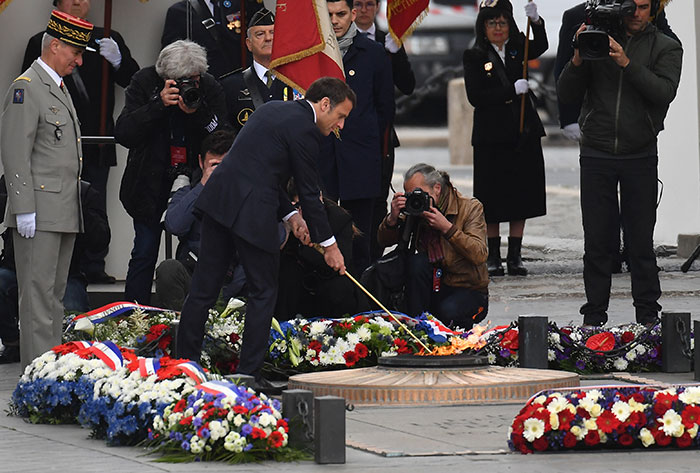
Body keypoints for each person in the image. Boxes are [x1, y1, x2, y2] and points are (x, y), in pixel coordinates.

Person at [176, 77, 354, 389]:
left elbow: (261, 169)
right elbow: (310, 193)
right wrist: (329, 245)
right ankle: (249, 375)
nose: (340, 124)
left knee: (203, 290)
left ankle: (183, 367)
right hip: (251, 212)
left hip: (221, 202)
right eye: (340, 115)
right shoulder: (306, 130)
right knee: (263, 291)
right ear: (324, 104)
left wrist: (290, 215)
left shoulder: (272, 109)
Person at [558, 0, 682, 327]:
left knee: (640, 241)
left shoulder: (666, 46)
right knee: (597, 240)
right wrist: (578, 59)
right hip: (597, 151)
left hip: (639, 152)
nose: (637, 14)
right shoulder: (595, 41)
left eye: (643, 7)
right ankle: (594, 316)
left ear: (653, 9)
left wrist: (627, 63)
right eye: (632, 7)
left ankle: (648, 316)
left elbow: (663, 92)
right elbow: (566, 93)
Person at [22, 0, 139, 285]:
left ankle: (93, 263)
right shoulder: (42, 41)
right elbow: (28, 88)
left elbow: (135, 82)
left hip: (97, 138)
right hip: (54, 141)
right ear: (56, 3)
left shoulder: (107, 37)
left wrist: (119, 60)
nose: (78, 2)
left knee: (94, 205)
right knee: (57, 205)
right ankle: (65, 265)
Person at [0, 10, 93, 369]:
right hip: (38, 209)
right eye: (75, 52)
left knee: (54, 297)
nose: (79, 60)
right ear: (55, 46)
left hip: (63, 209)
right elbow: (14, 152)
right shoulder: (26, 87)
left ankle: (50, 368)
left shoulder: (56, 86)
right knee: (37, 297)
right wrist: (23, 207)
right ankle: (37, 374)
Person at [115, 39, 228, 305]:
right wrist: (158, 105)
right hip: (148, 184)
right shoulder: (144, 82)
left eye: (194, 79)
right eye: (181, 81)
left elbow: (224, 135)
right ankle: (135, 318)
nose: (189, 85)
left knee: (195, 251)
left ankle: (191, 316)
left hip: (197, 182)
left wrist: (199, 112)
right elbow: (124, 133)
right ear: (165, 77)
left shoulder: (209, 86)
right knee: (144, 252)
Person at [462, 0, 547, 277]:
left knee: (521, 194)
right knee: (492, 196)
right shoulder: (474, 55)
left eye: (503, 22)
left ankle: (515, 255)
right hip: (491, 135)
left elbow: (541, 46)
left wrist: (536, 22)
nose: (498, 28)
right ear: (483, 27)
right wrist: (511, 90)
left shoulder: (516, 47)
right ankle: (493, 256)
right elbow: (476, 97)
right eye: (492, 23)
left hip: (522, 132)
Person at [319, 0, 394, 274]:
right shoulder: (315, 54)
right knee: (322, 229)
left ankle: (361, 297)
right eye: (329, 15)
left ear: (353, 14)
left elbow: (385, 107)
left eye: (341, 14)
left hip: (360, 156)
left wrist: (364, 135)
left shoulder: (373, 53)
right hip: (323, 154)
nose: (335, 21)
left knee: (361, 236)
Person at [0, 180, 110, 364]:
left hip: (66, 272)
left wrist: (78, 207)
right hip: (18, 269)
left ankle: (69, 358)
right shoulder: (15, 183)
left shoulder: (83, 191)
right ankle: (13, 342)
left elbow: (101, 240)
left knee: (75, 321)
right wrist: (19, 197)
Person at [377, 163, 489, 330]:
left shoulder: (470, 207)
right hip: (433, 285)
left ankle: (456, 333)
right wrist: (392, 219)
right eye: (409, 195)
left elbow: (479, 254)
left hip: (467, 288)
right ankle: (418, 328)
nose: (415, 199)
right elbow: (383, 241)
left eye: (419, 194)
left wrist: (447, 229)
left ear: (437, 188)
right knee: (416, 263)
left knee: (447, 312)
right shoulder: (414, 209)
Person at [352, 0, 417, 261]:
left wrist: (396, 52)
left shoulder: (386, 38)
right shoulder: (340, 41)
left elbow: (408, 85)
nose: (365, 9)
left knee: (378, 197)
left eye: (370, 4)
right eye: (359, 4)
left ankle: (374, 256)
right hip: (350, 131)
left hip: (381, 136)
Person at [155, 129, 246, 310]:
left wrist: (225, 296)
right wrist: (204, 185)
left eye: (225, 164)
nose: (220, 171)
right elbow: (174, 225)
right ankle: (179, 331)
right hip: (195, 278)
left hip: (235, 285)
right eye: (214, 164)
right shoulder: (188, 192)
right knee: (168, 269)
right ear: (201, 162)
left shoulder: (249, 194)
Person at [276, 179, 363, 321]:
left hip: (330, 278)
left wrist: (310, 246)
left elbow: (342, 260)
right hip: (300, 279)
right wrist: (290, 229)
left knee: (338, 289)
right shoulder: (290, 220)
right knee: (286, 277)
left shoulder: (339, 218)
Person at [221, 8, 296, 130]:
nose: (268, 38)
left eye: (273, 33)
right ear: (249, 44)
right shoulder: (231, 86)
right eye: (260, 34)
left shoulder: (296, 80)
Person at [161, 0, 264, 80]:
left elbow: (262, 31)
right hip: (206, 82)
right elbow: (171, 57)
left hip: (241, 78)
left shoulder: (243, 4)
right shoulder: (179, 11)